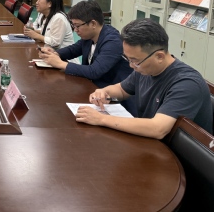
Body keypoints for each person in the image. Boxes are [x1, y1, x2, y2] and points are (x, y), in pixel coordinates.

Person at [75, 18, 212, 139]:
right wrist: (105, 92)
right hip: (149, 142)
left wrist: (101, 119)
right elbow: (122, 90)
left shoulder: (187, 83)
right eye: (128, 59)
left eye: (135, 61)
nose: (131, 65)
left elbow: (158, 129)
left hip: (176, 155)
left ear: (159, 56)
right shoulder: (145, 68)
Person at [39, 0, 132, 88]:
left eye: (77, 26)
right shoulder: (90, 36)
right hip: (92, 86)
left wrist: (60, 64)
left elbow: (94, 71)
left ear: (93, 24)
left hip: (111, 92)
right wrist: (55, 53)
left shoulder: (113, 42)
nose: (75, 30)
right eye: (73, 26)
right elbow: (73, 49)